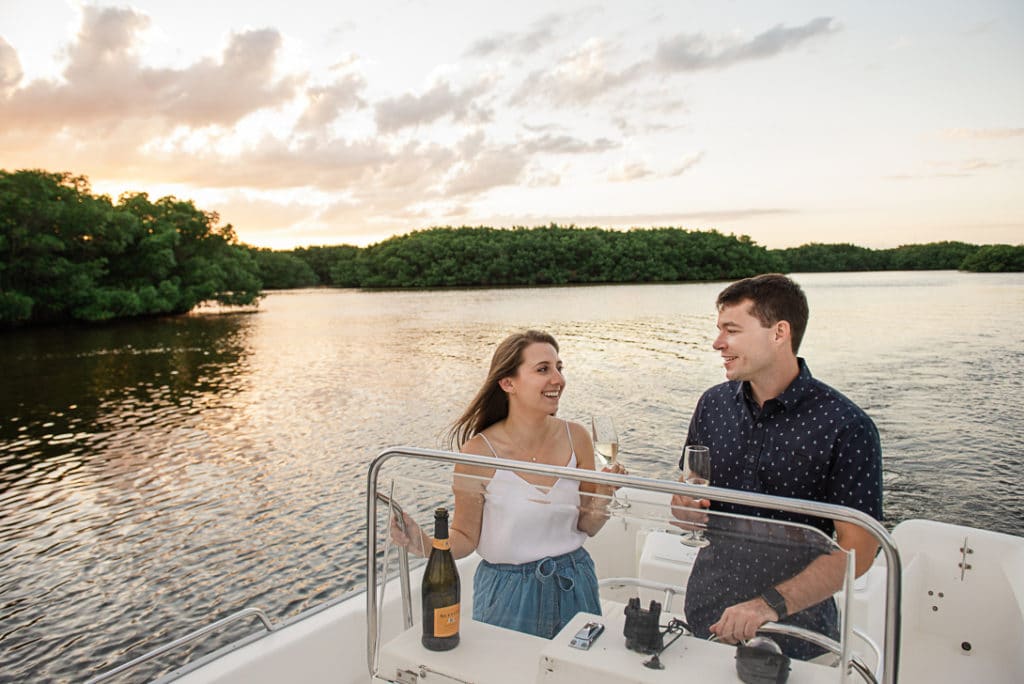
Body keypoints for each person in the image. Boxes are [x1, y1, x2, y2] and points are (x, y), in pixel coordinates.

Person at [670, 274, 882, 660]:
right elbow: (688, 494)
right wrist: (684, 506)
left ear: (779, 332)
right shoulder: (711, 405)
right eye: (719, 330)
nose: (718, 343)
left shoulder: (847, 426)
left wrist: (767, 605)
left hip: (798, 636)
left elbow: (860, 553)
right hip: (706, 617)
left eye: (731, 330)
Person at [392, 329, 625, 639]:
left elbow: (587, 525)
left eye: (559, 367)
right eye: (543, 369)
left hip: (575, 582)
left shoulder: (577, 437)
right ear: (508, 383)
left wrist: (604, 496)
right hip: (508, 592)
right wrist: (422, 543)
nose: (558, 378)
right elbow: (464, 536)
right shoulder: (479, 452)